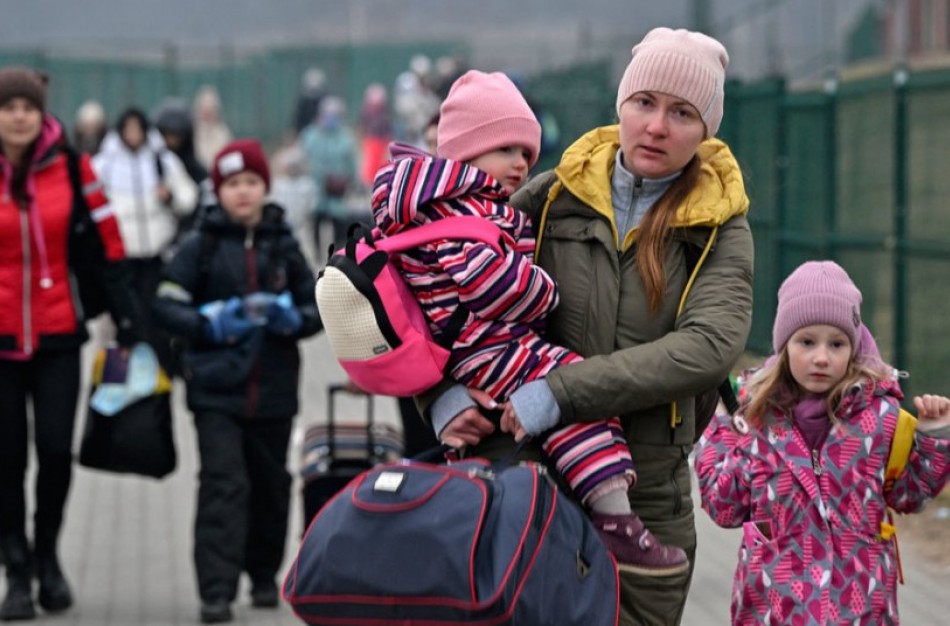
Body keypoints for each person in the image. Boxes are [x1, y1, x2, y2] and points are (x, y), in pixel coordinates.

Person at [425, 28, 752, 625]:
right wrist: (442, 399)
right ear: (621, 105)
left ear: (706, 130)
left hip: (644, 499)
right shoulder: (552, 197)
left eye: (682, 113)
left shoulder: (719, 227)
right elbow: (433, 291)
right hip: (524, 479)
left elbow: (708, 347)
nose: (657, 127)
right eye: (644, 103)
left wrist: (560, 392)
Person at [375, 69, 688, 576]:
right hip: (486, 347)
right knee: (575, 393)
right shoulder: (459, 213)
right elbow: (490, 284)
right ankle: (615, 518)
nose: (521, 164)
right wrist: (545, 290)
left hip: (476, 348)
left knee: (562, 404)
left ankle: (601, 512)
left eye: (526, 152)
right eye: (506, 150)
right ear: (467, 152)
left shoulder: (441, 206)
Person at [694, 260, 950, 625]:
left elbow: (909, 495)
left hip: (859, 612)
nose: (821, 357)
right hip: (774, 612)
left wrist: (934, 437)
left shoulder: (881, 418)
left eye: (837, 343)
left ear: (854, 347)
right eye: (807, 342)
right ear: (784, 345)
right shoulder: (756, 417)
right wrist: (719, 427)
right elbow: (725, 506)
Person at [152, 139, 321, 624]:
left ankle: (264, 575)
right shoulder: (200, 244)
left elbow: (318, 306)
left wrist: (294, 319)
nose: (242, 192)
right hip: (215, 391)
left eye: (251, 182)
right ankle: (216, 590)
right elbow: (165, 301)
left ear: (265, 187)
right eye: (232, 184)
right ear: (218, 191)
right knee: (223, 485)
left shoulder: (284, 243)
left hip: (274, 391)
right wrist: (208, 323)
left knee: (271, 485)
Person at [0, 66, 145, 620]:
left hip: (59, 332)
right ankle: (15, 570)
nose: (18, 117)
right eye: (9, 107)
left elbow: (108, 243)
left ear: (41, 115)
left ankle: (48, 556)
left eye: (27, 108)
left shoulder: (71, 166)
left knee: (56, 451)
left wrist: (128, 319)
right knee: (6, 459)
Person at [92, 107, 199, 374]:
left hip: (156, 255)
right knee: (122, 324)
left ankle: (158, 379)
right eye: (128, 129)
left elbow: (189, 197)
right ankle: (119, 382)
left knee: (155, 322)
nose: (133, 135)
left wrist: (169, 197)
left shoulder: (163, 160)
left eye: (138, 129)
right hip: (119, 258)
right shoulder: (104, 164)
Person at [299, 96, 357, 260]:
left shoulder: (345, 138)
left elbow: (352, 163)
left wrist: (352, 181)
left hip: (336, 189)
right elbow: (302, 158)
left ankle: (338, 254)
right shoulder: (310, 135)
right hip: (316, 188)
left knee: (339, 222)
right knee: (316, 221)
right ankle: (317, 254)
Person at [192, 85, 232, 170]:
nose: (207, 113)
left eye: (211, 109)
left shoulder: (222, 132)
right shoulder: (192, 131)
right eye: (204, 108)